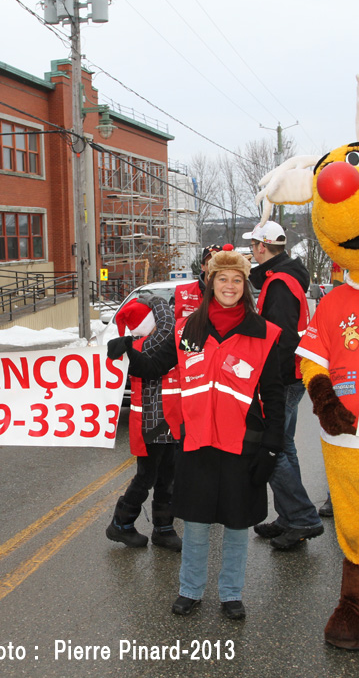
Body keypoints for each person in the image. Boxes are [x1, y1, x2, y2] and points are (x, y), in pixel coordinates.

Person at [107, 249, 286, 620]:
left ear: (245, 285)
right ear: (211, 283)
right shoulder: (189, 330)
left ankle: (231, 595)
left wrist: (271, 447)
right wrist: (128, 351)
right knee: (198, 522)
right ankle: (190, 590)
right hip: (196, 442)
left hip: (242, 444)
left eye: (237, 279)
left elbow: (273, 394)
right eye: (223, 279)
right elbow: (157, 365)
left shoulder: (264, 333)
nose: (230, 286)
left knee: (237, 526)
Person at [244, 219, 324, 550]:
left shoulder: (278, 285)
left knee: (272, 447)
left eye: (253, 246)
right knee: (285, 446)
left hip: (283, 377)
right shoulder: (287, 279)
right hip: (293, 374)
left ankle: (302, 517)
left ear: (263, 247)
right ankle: (290, 516)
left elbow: (282, 338)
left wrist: (268, 382)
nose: (251, 251)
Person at [105, 296, 182, 551]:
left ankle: (163, 527)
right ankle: (121, 523)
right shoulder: (149, 343)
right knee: (147, 477)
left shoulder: (141, 343)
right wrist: (156, 300)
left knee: (166, 477)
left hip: (167, 421)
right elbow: (170, 324)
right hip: (153, 424)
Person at [174, 244, 220, 319]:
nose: (213, 268)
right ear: (203, 267)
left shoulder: (233, 294)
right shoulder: (182, 293)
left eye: (217, 264)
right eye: (210, 264)